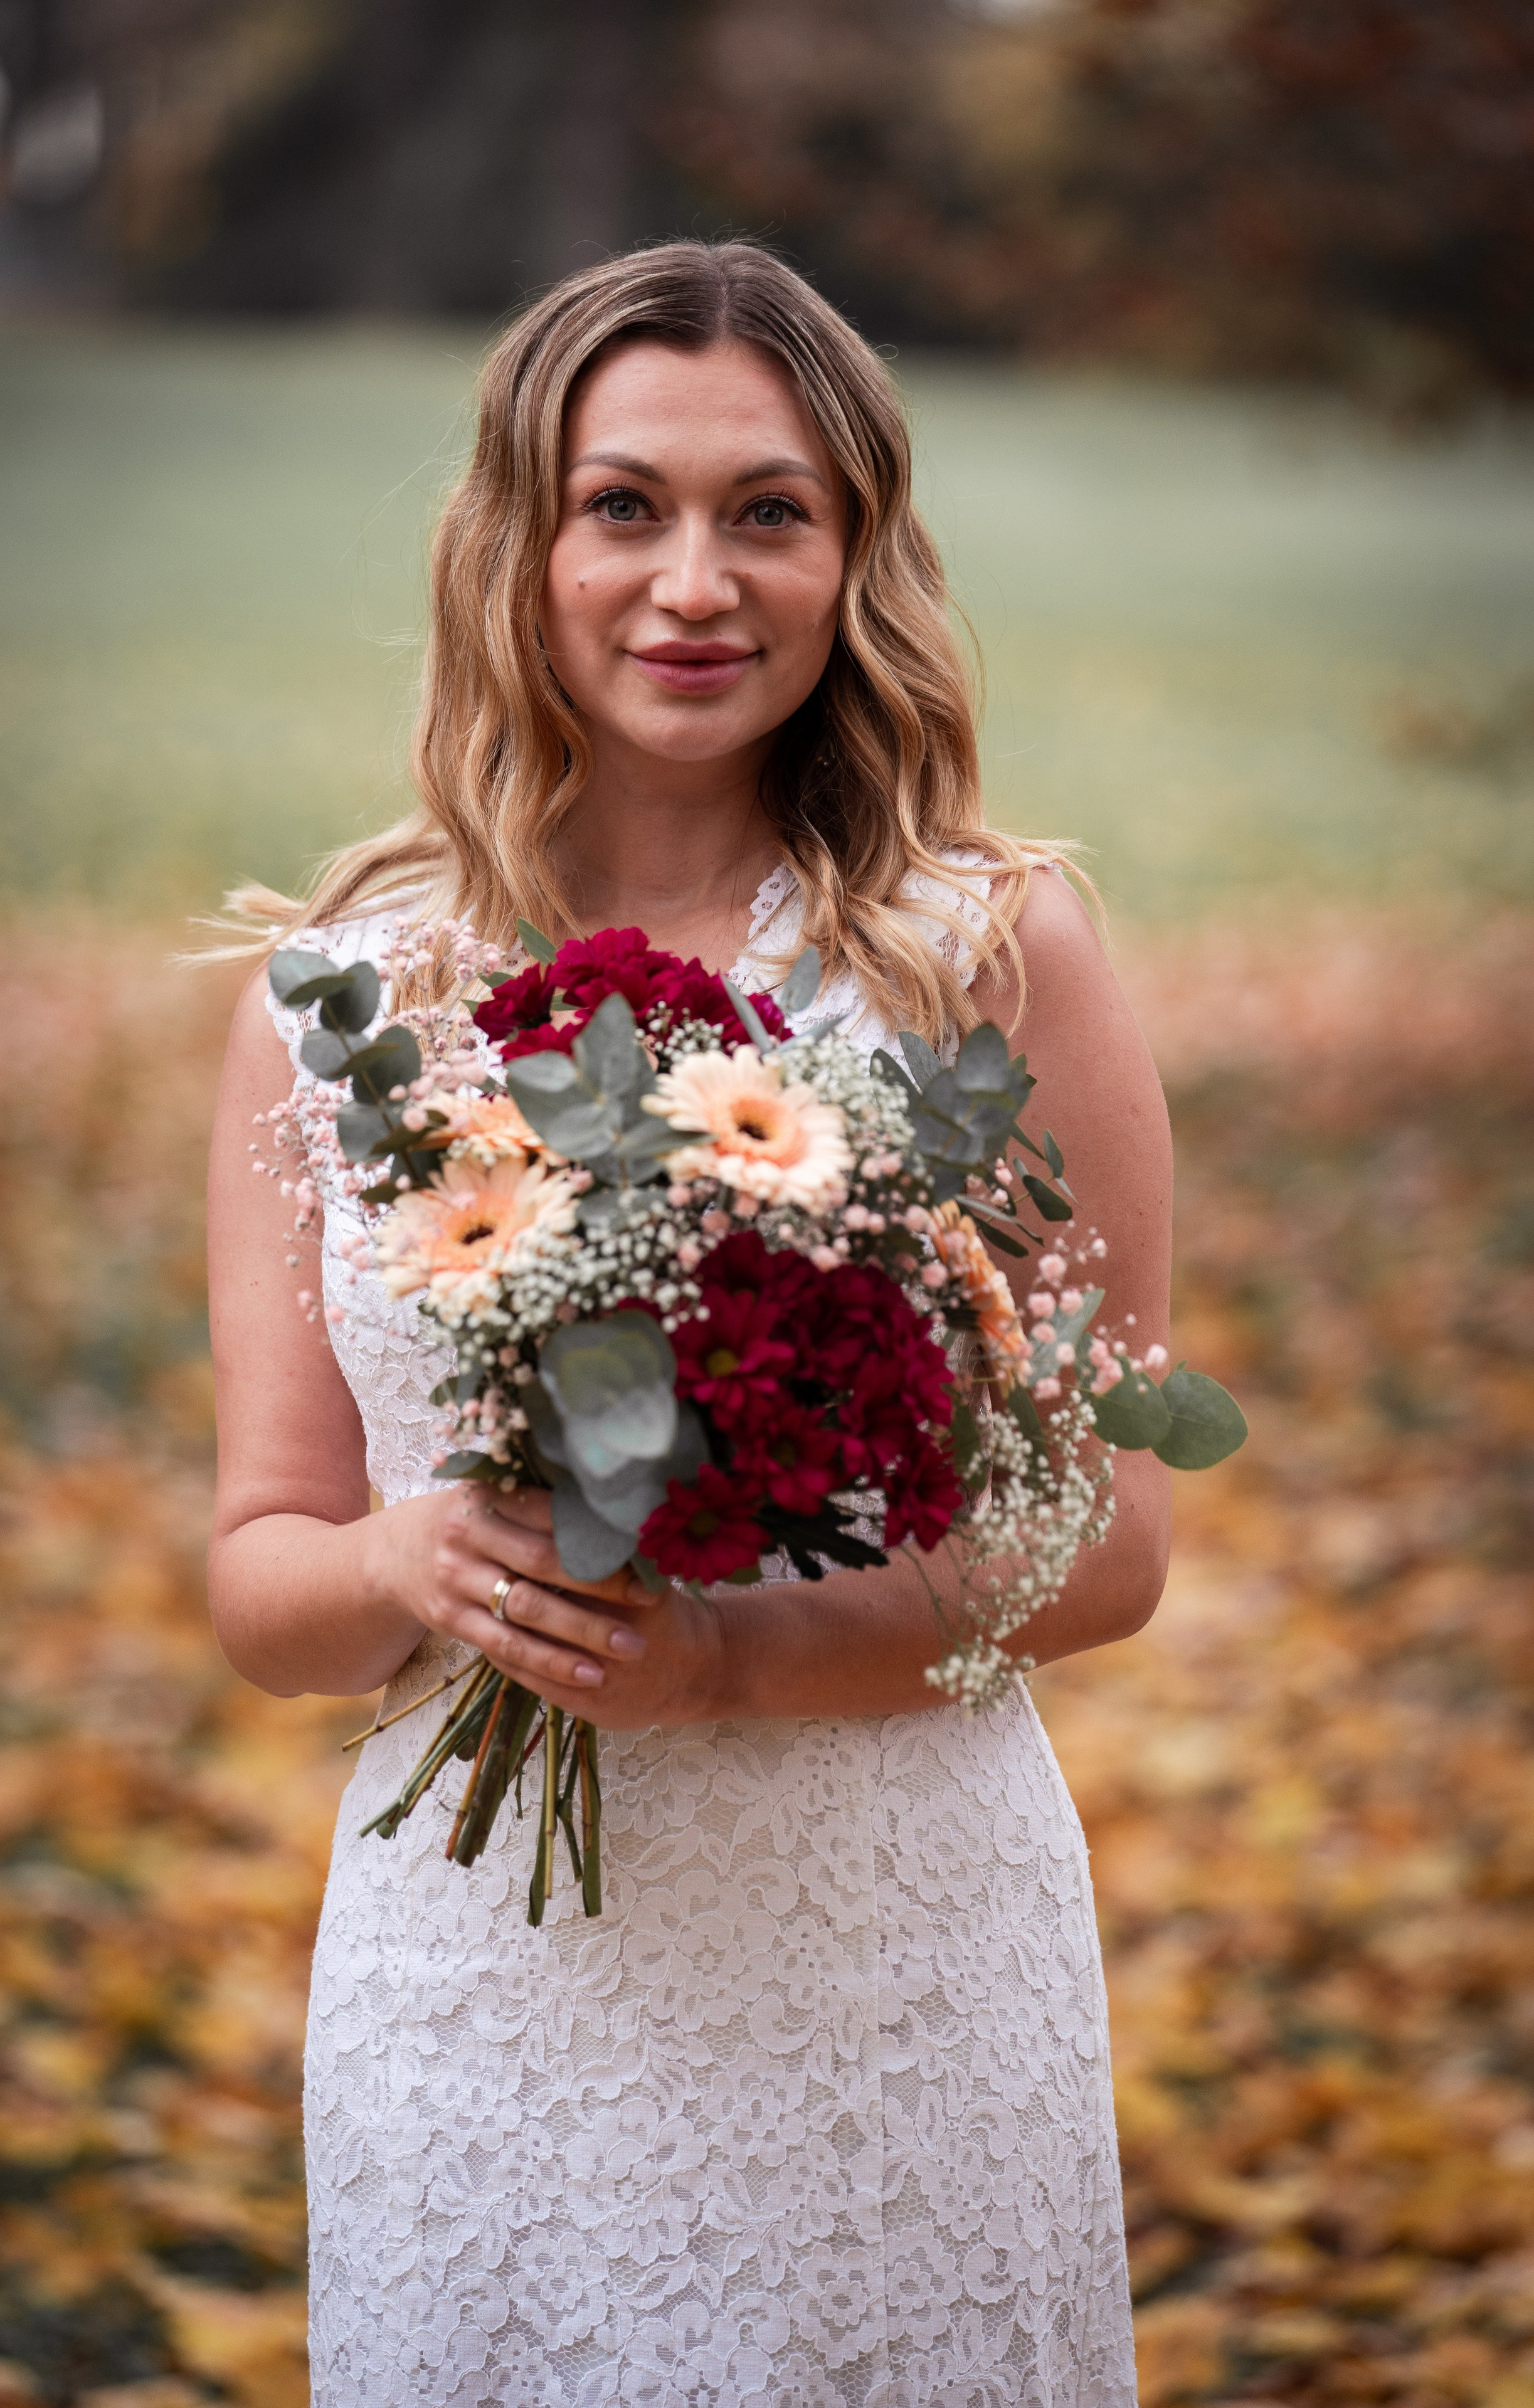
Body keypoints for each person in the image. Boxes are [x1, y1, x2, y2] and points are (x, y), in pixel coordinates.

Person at [206, 240, 1170, 2408]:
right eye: (623, 503)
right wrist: (397, 1563)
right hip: (483, 1994)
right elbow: (265, 1571)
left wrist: (738, 1652)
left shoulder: (985, 960)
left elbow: (1107, 1539)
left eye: (771, 511)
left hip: (891, 1971)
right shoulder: (346, 1007)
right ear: (516, 547)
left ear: (857, 560)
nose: (693, 580)